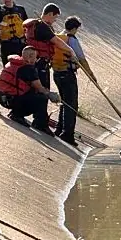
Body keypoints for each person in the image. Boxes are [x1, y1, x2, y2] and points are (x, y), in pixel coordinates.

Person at [51, 16, 98, 146]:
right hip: (67, 74)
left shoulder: (58, 37)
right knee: (71, 105)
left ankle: (59, 129)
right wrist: (91, 75)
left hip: (57, 73)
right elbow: (81, 59)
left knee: (64, 102)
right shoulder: (71, 40)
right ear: (74, 28)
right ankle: (67, 134)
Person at [0, 46, 61, 135]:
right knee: (42, 98)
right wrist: (51, 95)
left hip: (2, 97)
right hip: (11, 100)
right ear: (30, 57)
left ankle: (16, 113)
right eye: (35, 57)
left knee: (31, 91)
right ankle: (39, 123)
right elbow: (40, 88)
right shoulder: (28, 68)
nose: (36, 59)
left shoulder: (13, 63)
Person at [22, 3, 75, 90]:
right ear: (50, 14)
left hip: (32, 61)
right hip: (40, 64)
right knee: (43, 90)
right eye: (55, 17)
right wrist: (70, 50)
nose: (55, 20)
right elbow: (57, 41)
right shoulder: (42, 27)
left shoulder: (35, 25)